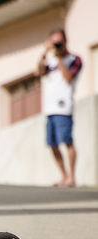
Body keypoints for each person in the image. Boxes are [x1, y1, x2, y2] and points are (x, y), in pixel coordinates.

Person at [35, 29, 82, 188]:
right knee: (52, 143)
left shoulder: (74, 59)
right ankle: (63, 176)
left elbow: (68, 77)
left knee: (67, 141)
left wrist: (60, 58)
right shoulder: (51, 62)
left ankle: (72, 177)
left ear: (65, 41)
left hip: (63, 107)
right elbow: (39, 72)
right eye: (54, 43)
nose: (57, 46)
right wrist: (44, 53)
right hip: (49, 108)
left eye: (58, 43)